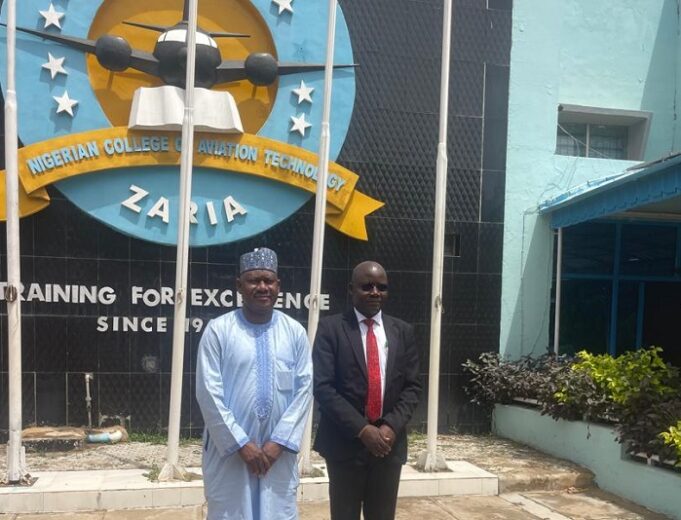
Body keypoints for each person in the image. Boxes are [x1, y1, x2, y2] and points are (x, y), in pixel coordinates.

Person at [196, 247, 313, 520]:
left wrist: (278, 442)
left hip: (278, 455)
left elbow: (304, 390)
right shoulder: (219, 330)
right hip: (230, 456)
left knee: (277, 513)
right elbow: (208, 393)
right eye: (253, 280)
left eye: (268, 280)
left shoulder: (294, 332)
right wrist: (241, 444)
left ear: (278, 285)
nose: (262, 287)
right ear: (239, 285)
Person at [313, 260, 422, 520]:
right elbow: (323, 387)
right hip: (344, 445)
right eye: (367, 286)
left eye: (381, 287)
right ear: (351, 289)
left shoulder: (402, 331)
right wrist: (363, 430)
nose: (375, 292)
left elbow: (412, 386)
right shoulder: (331, 329)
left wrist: (390, 427)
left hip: (388, 447)